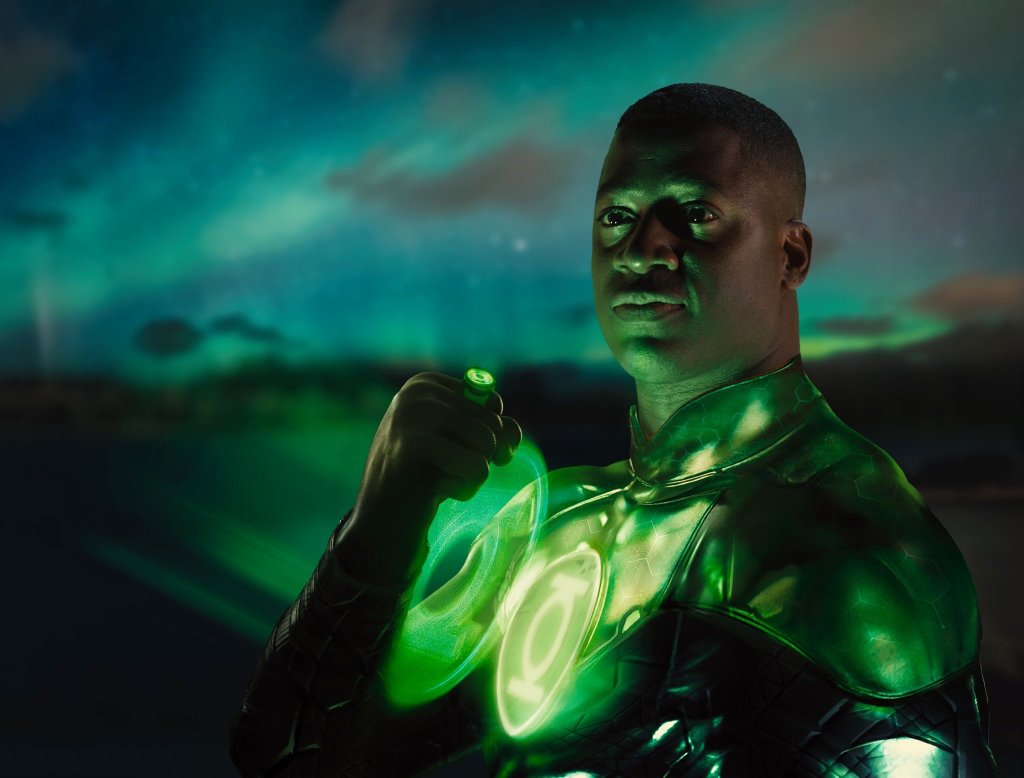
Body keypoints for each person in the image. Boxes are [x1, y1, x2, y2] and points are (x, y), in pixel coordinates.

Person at [229, 83, 998, 776]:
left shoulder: (854, 553)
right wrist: (381, 527)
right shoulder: (559, 525)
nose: (642, 249)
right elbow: (297, 758)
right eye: (617, 217)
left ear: (790, 253)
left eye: (696, 214)